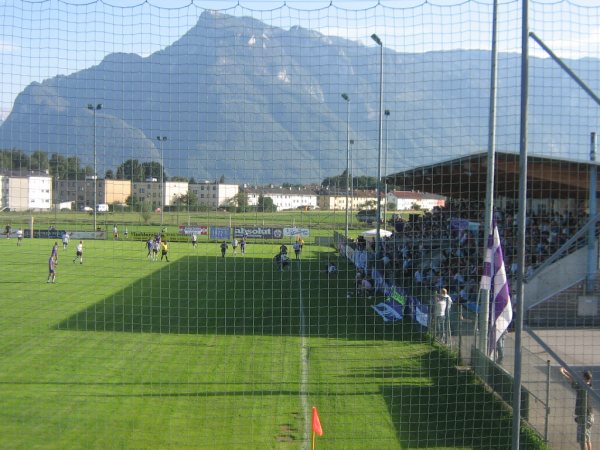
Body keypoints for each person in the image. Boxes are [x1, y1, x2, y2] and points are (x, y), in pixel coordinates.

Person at [561, 367, 594, 450]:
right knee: (588, 439)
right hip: (590, 416)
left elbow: (571, 381)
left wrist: (563, 373)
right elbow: (575, 380)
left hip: (584, 417)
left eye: (582, 376)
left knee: (582, 440)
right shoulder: (588, 386)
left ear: (584, 378)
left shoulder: (582, 387)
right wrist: (566, 371)